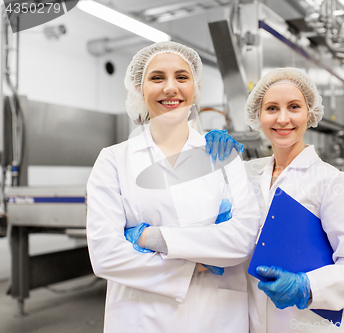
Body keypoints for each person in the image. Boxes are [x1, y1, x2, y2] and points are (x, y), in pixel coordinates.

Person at [86, 41, 260, 333]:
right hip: (141, 318)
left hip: (217, 317)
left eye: (182, 77)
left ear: (195, 88)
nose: (170, 88)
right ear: (140, 89)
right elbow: (105, 255)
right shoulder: (113, 160)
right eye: (157, 78)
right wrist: (197, 262)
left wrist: (153, 239)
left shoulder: (223, 155)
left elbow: (243, 238)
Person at [206, 67, 344, 332]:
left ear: (309, 113)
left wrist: (307, 287)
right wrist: (211, 161)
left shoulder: (331, 182)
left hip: (310, 324)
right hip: (251, 322)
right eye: (272, 108)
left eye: (294, 107)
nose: (283, 118)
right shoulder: (247, 174)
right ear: (258, 116)